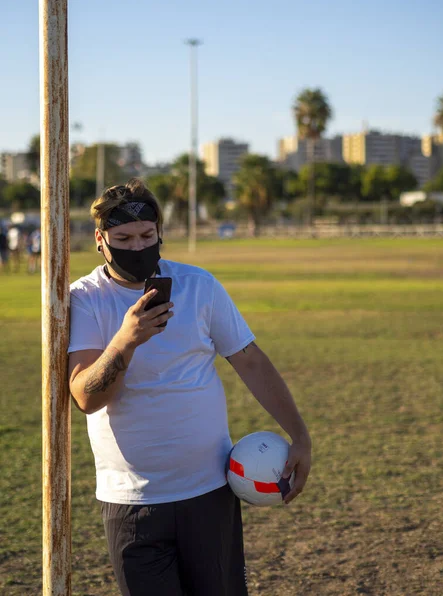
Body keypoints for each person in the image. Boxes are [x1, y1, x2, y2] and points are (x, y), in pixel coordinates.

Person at [68, 178, 311, 596]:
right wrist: (127, 338)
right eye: (123, 238)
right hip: (131, 503)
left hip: (209, 493)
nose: (139, 246)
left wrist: (301, 436)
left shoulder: (199, 286)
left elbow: (250, 361)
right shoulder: (86, 298)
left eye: (147, 235)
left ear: (160, 232)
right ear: (100, 240)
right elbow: (87, 397)